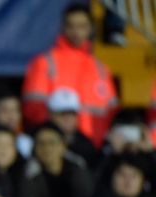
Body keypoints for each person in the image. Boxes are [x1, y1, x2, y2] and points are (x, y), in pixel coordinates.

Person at [22, 3, 118, 146]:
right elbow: (34, 109)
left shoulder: (101, 69)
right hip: (57, 147)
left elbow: (112, 112)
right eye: (71, 26)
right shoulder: (45, 63)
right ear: (63, 28)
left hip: (94, 150)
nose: (76, 32)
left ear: (90, 29)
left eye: (82, 26)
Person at [47, 87, 98, 168]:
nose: (67, 118)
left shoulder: (86, 145)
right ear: (50, 115)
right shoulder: (37, 139)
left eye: (72, 113)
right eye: (62, 113)